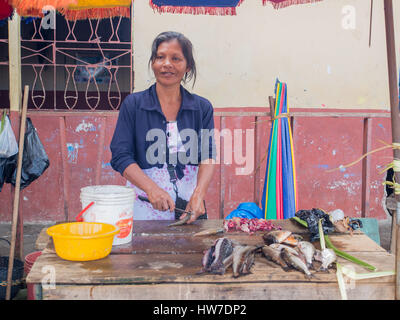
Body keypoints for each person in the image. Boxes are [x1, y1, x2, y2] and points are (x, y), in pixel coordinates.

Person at [110, 31, 216, 224]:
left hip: (190, 211)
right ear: (153, 62)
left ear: (187, 66)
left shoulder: (202, 108)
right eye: (160, 57)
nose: (167, 64)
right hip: (144, 209)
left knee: (192, 253)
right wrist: (151, 188)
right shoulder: (133, 105)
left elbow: (207, 155)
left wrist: (199, 194)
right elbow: (120, 156)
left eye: (176, 58)